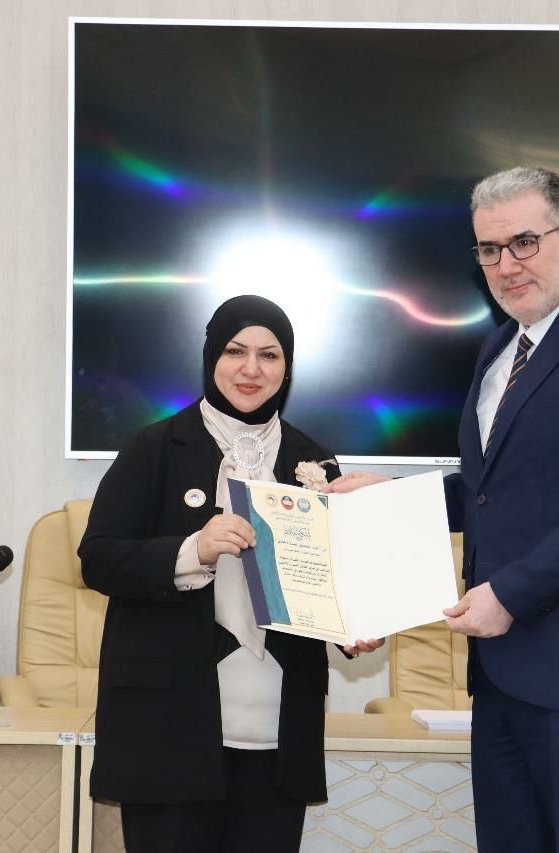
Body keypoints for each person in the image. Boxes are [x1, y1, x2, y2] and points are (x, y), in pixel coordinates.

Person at [329, 166, 559, 852]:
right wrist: (393, 495)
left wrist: (510, 595)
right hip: (505, 666)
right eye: (490, 249)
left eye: (524, 242)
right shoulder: (501, 345)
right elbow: (489, 490)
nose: (506, 264)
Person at [78, 294, 381, 853]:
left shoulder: (314, 459)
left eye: (269, 355)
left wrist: (352, 627)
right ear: (211, 357)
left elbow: (327, 581)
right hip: (168, 731)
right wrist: (193, 550)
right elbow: (97, 558)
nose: (251, 369)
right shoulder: (154, 447)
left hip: (277, 731)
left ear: (287, 367)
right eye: (235, 351)